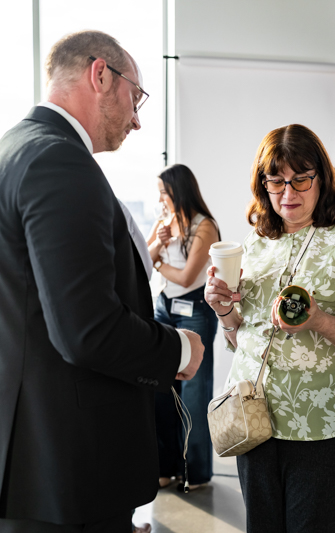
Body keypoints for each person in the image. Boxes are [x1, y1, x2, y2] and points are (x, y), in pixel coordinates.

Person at [0, 30, 204, 533]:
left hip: (15, 460)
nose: (137, 118)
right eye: (135, 97)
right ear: (100, 74)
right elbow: (87, 329)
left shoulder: (11, 151)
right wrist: (179, 351)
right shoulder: (59, 161)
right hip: (53, 469)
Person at [204, 124, 335, 533]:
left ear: (322, 177)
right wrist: (224, 311)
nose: (288, 194)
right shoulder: (257, 241)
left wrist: (320, 321)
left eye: (300, 180)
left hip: (324, 424)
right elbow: (245, 339)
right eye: (275, 182)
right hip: (253, 418)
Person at [147, 164, 220, 491]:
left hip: (195, 311)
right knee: (161, 390)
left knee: (194, 394)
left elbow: (189, 277)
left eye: (164, 191)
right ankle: (168, 467)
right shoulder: (164, 222)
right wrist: (159, 245)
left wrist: (161, 261)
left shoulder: (205, 227)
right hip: (164, 309)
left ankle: (197, 472)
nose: (161, 198)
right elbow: (142, 261)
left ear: (180, 190)